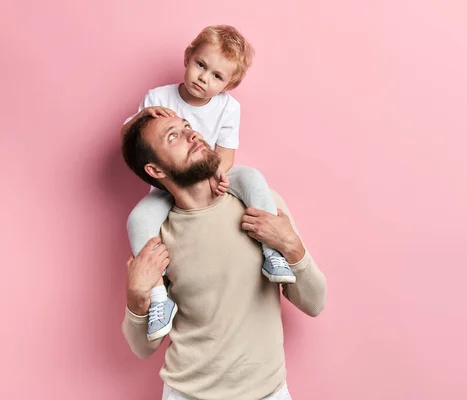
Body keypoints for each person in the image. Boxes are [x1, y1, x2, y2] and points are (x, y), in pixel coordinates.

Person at [121, 113, 327, 400]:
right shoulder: (158, 236)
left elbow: (315, 302)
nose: (192, 135)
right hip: (187, 394)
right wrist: (135, 295)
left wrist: (291, 245)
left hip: (268, 392)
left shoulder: (260, 205)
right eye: (173, 136)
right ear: (155, 170)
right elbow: (143, 348)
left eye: (187, 127)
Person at [121, 25, 296, 342]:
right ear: (188, 57)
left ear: (229, 85)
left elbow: (226, 154)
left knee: (252, 176)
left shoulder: (229, 107)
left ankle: (273, 252)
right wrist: (143, 114)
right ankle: (160, 298)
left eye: (217, 76)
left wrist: (218, 174)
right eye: (201, 65)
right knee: (139, 218)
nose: (204, 78)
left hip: (211, 174)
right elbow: (130, 137)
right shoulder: (159, 98)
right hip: (168, 188)